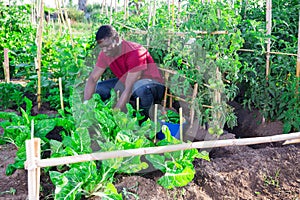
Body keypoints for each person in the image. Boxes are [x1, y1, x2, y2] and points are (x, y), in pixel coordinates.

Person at [84, 25, 165, 120]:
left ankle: (146, 120)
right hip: (127, 82)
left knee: (139, 89)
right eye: (102, 47)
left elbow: (129, 88)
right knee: (100, 88)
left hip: (151, 86)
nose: (104, 50)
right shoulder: (105, 53)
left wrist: (114, 115)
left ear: (117, 39)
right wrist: (86, 104)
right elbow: (93, 79)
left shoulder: (135, 52)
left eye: (107, 46)